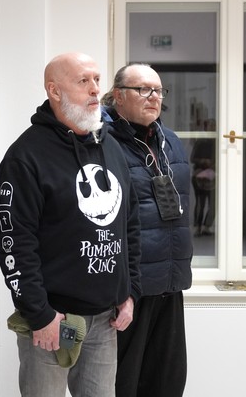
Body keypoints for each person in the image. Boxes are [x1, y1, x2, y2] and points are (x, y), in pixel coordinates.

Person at [0, 52, 142, 397]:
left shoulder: (111, 148)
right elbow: (15, 242)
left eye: (97, 80)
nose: (94, 90)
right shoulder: (26, 156)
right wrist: (40, 314)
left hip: (105, 319)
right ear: (54, 91)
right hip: (52, 319)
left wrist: (130, 292)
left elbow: (130, 225)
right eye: (83, 81)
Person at [101, 63, 193, 397]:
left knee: (168, 383)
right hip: (130, 290)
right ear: (118, 95)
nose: (153, 97)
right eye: (143, 89)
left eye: (158, 90)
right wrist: (121, 289)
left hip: (169, 285)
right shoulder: (101, 143)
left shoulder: (171, 141)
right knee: (123, 384)